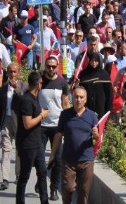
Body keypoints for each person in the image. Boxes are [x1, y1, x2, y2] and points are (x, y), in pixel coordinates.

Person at [49, 86, 99, 204]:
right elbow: (58, 134)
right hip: (69, 160)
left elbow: (97, 140)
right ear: (72, 98)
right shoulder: (65, 115)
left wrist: (96, 135)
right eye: (76, 97)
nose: (78, 100)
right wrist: (52, 153)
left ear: (85, 100)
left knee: (84, 192)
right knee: (68, 189)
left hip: (86, 160)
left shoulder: (92, 116)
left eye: (81, 97)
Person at [16, 71, 50, 204]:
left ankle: (44, 201)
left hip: (38, 143)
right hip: (27, 145)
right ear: (37, 84)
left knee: (42, 173)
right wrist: (42, 116)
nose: (42, 85)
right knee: (24, 176)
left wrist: (41, 113)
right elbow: (27, 124)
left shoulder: (35, 98)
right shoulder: (26, 100)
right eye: (41, 82)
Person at [40, 56, 71, 201]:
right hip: (41, 125)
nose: (51, 69)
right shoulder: (40, 80)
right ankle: (41, 182)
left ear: (57, 67)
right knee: (38, 158)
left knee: (57, 159)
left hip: (57, 126)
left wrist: (71, 120)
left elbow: (65, 104)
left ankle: (54, 189)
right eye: (48, 66)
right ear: (45, 66)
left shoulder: (62, 83)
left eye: (53, 66)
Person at [0, 63, 26, 191]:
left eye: (14, 72)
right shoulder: (1, 90)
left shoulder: (24, 87)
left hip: (19, 122)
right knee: (6, 150)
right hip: (6, 121)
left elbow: (25, 101)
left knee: (19, 151)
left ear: (18, 73)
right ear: (6, 73)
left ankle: (18, 175)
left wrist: (16, 89)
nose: (12, 74)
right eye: (10, 72)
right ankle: (5, 179)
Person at [78, 52, 112, 119]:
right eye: (92, 60)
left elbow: (109, 94)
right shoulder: (84, 74)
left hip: (100, 107)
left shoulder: (104, 74)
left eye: (96, 61)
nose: (94, 63)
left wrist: (108, 110)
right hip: (87, 107)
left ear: (99, 61)